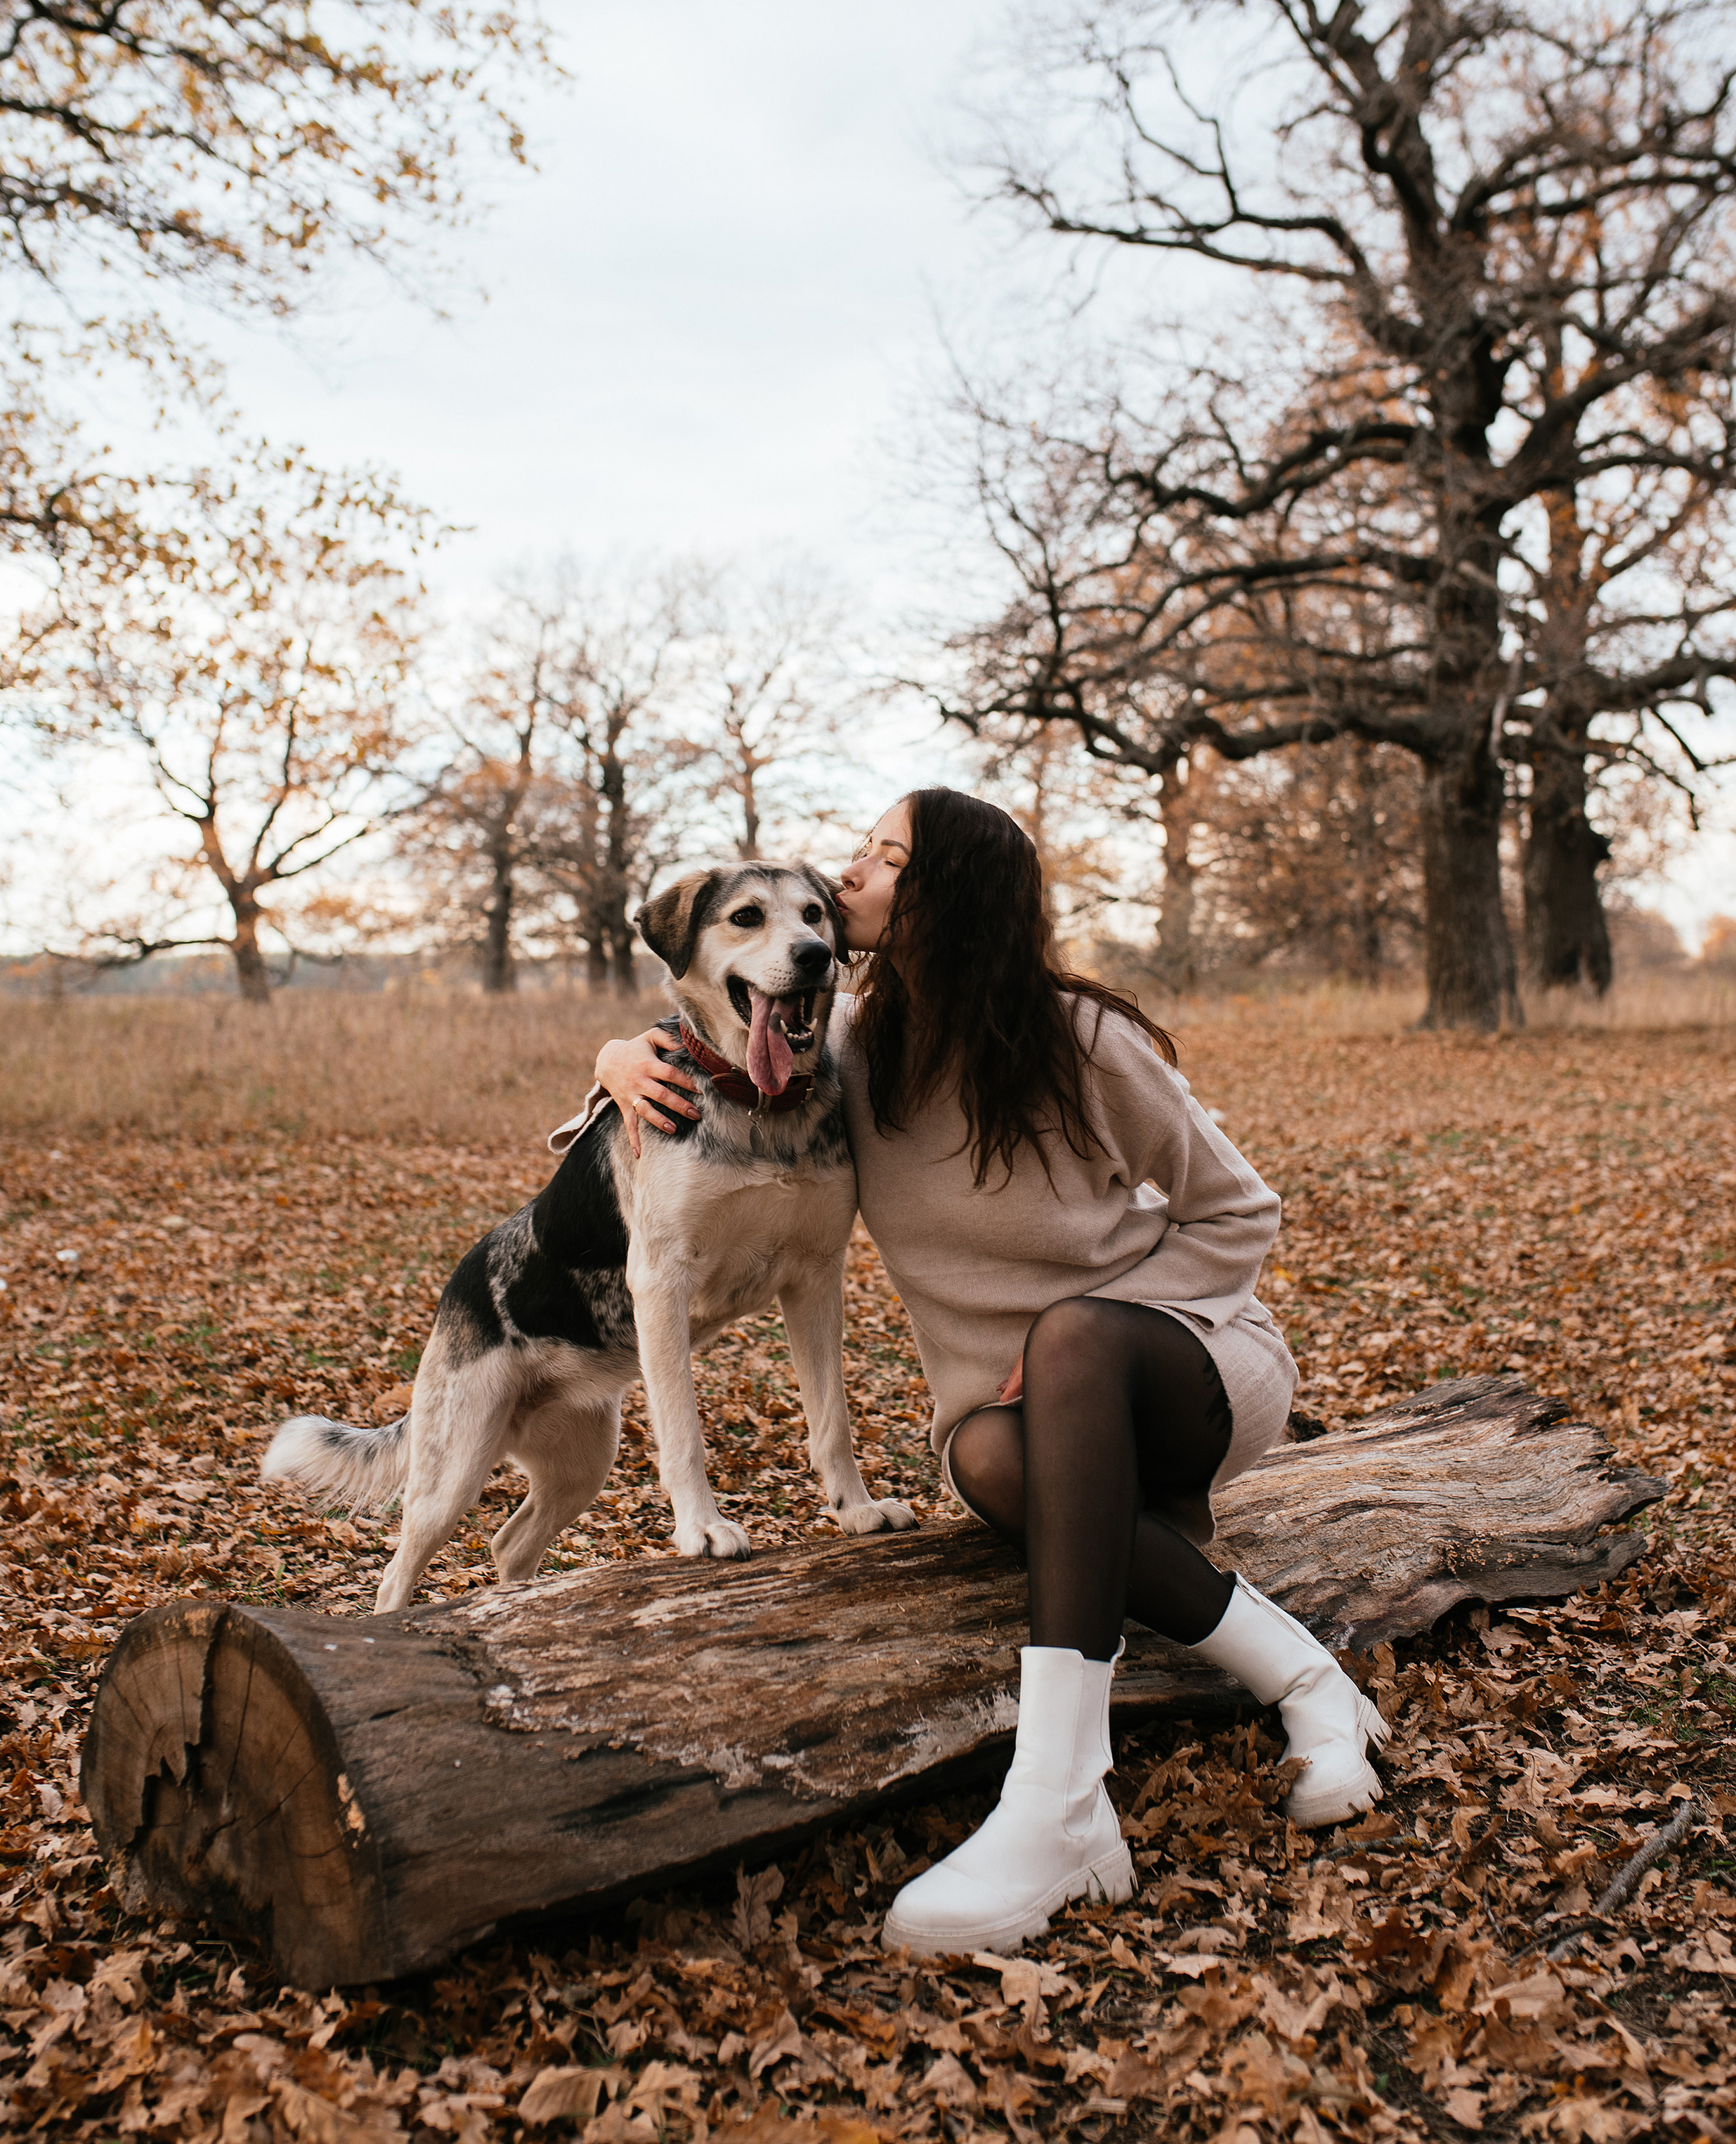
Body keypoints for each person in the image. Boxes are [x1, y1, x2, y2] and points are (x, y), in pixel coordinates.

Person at [591, 788, 1389, 1956]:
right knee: (998, 1461)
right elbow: (714, 1037)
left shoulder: (1079, 1039)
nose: (847, 878)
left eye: (882, 859)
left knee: (1072, 1338)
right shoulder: (851, 1049)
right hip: (1002, 1417)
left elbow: (1237, 1213)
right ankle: (1307, 1676)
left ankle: (1059, 1807)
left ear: (948, 894)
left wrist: (1104, 1333)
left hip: (1184, 1365)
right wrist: (618, 1058)